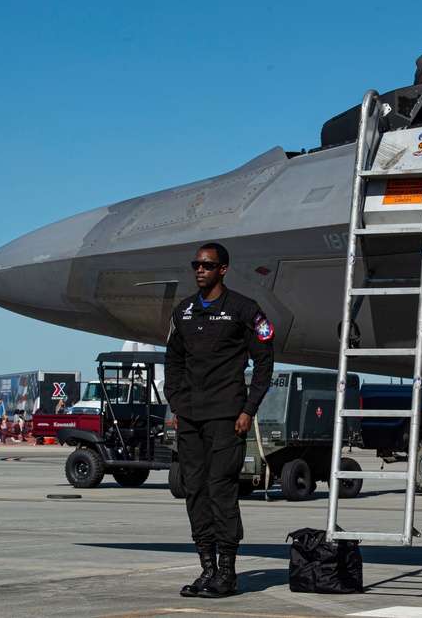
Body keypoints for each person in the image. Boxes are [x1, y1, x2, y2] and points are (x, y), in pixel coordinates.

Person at [165, 242, 275, 598]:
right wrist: (176, 402)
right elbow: (173, 361)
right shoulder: (184, 312)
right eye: (196, 264)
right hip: (191, 417)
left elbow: (264, 361)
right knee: (194, 490)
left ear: (223, 270)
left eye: (207, 265)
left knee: (220, 489)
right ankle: (207, 570)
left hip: (227, 416)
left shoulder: (244, 310)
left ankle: (227, 573)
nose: (200, 270)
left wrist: (248, 409)